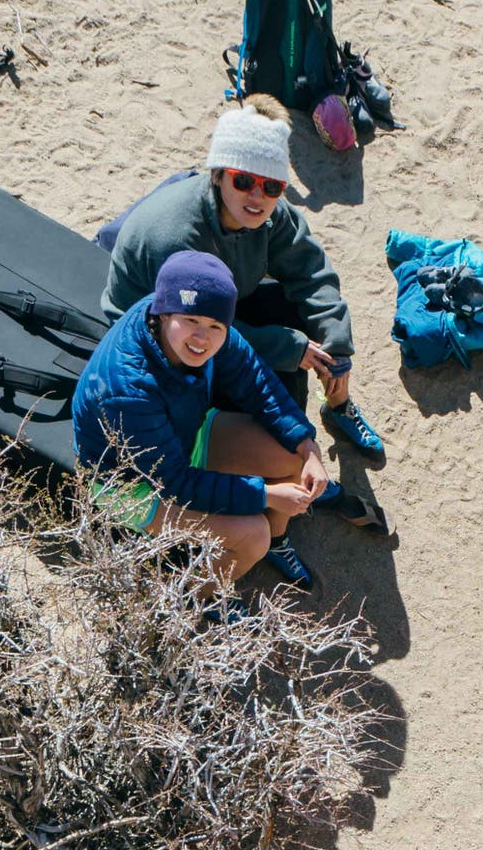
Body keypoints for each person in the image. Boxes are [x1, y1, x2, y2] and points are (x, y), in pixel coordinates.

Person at [97, 100, 389, 479]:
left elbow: (311, 271)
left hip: (219, 304)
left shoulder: (270, 214)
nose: (257, 196)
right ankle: (279, 458)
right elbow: (198, 330)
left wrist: (335, 341)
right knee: (279, 356)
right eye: (243, 180)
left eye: (271, 186)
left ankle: (334, 407)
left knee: (308, 330)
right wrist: (286, 347)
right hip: (164, 333)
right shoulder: (177, 239)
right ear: (217, 175)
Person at [67, 248, 333, 592]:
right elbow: (175, 482)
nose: (202, 338)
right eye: (190, 322)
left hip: (183, 431)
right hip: (132, 483)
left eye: (214, 327)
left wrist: (307, 444)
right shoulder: (128, 390)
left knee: (294, 457)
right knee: (254, 536)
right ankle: (200, 595)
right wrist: (265, 495)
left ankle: (277, 540)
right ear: (164, 313)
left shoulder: (195, 311)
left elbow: (255, 380)